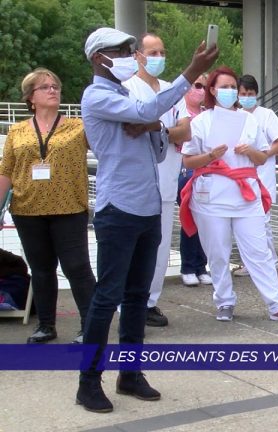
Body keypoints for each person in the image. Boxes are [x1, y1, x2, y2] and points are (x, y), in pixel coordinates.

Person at [77, 27, 217, 414]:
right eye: (121, 50)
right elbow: (143, 114)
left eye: (130, 49)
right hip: (118, 208)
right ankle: (88, 381)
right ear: (97, 58)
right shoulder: (98, 95)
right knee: (107, 297)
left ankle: (130, 372)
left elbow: (156, 148)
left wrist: (154, 125)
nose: (130, 54)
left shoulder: (125, 95)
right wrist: (189, 74)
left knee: (137, 296)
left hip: (146, 206)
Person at [179, 66, 278, 325]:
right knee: (218, 253)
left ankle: (277, 304)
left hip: (245, 193)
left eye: (233, 87)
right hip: (212, 194)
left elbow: (261, 158)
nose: (230, 92)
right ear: (212, 90)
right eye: (224, 87)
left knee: (259, 251)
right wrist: (211, 156)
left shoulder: (250, 120)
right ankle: (224, 301)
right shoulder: (201, 121)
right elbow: (188, 161)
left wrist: (250, 150)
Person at [0, 68, 94, 344]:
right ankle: (46, 325)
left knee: (77, 267)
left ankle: (90, 325)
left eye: (55, 86)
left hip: (69, 208)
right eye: (45, 87)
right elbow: (7, 170)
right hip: (28, 209)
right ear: (31, 97)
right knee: (41, 269)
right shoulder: (17, 131)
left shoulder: (78, 126)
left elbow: (106, 147)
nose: (53, 90)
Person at [123, 33, 192, 327]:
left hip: (166, 183)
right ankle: (127, 304)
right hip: (134, 183)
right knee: (129, 247)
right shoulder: (126, 88)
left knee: (160, 248)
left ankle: (149, 302)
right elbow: (132, 127)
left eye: (162, 52)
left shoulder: (171, 90)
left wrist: (157, 127)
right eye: (153, 52)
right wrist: (165, 128)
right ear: (138, 54)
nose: (158, 57)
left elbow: (185, 131)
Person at [232, 74, 278, 277]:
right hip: (241, 176)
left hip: (263, 173)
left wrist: (263, 155)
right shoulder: (235, 115)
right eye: (243, 94)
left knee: (262, 220)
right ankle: (253, 261)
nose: (246, 97)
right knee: (245, 222)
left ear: (256, 94)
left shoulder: (266, 115)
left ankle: (269, 260)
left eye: (250, 94)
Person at [177, 73, 213, 285]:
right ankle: (188, 265)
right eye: (197, 85)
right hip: (182, 169)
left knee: (204, 218)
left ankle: (202, 265)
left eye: (205, 87)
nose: (201, 90)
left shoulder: (208, 114)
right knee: (188, 218)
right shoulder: (179, 112)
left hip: (205, 170)